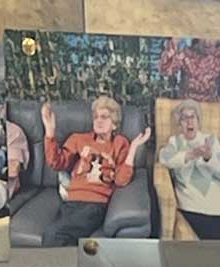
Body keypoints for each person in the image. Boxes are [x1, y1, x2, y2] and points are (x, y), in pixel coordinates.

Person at [39, 97, 148, 245]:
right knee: (60, 238)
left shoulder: (119, 143)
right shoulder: (78, 139)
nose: (98, 121)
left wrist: (133, 148)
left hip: (95, 205)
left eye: (104, 117)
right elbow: (56, 163)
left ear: (114, 124)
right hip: (71, 202)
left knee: (54, 235)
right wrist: (50, 133)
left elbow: (121, 180)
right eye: (96, 117)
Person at [156, 100, 220, 242]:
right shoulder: (174, 142)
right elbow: (164, 158)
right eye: (184, 118)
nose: (189, 122)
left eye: (192, 117)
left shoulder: (210, 140)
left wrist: (209, 157)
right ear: (179, 124)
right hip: (195, 203)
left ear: (198, 121)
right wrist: (191, 154)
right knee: (214, 245)